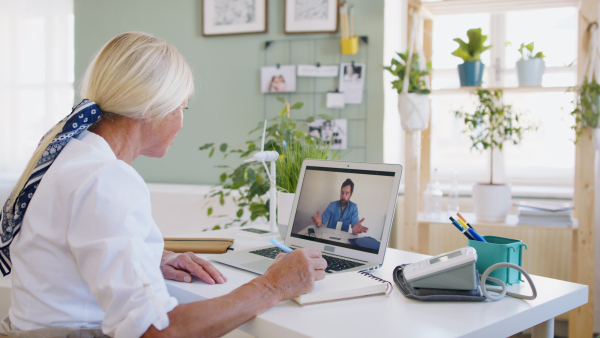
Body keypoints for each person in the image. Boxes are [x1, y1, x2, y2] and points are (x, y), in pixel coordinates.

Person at [0, 32, 327, 337]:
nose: (181, 123)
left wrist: (147, 256)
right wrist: (272, 287)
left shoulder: (65, 154)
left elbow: (66, 244)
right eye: (180, 108)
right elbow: (156, 331)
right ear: (149, 108)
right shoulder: (105, 179)